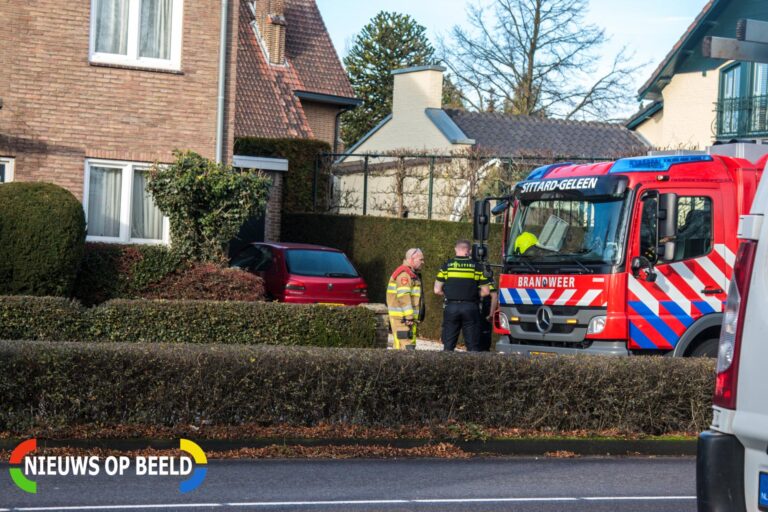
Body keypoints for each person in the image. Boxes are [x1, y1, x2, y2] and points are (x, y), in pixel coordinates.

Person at [434, 240, 490, 351]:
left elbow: (436, 290)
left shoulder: (447, 266)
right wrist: (473, 294)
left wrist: (450, 294)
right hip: (470, 307)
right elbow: (486, 291)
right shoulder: (477, 267)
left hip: (451, 307)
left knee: (448, 345)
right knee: (472, 346)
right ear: (469, 251)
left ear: (456, 249)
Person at [386, 248, 425, 350]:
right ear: (412, 259)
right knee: (405, 348)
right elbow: (404, 296)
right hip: (403, 319)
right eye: (421, 260)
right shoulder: (404, 274)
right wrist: (409, 317)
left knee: (405, 346)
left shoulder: (409, 273)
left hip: (405, 319)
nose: (423, 262)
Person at [478, 272, 499, 352]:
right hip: (484, 312)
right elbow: (494, 297)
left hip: (481, 312)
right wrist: (491, 314)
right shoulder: (487, 280)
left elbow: (494, 297)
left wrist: (490, 314)